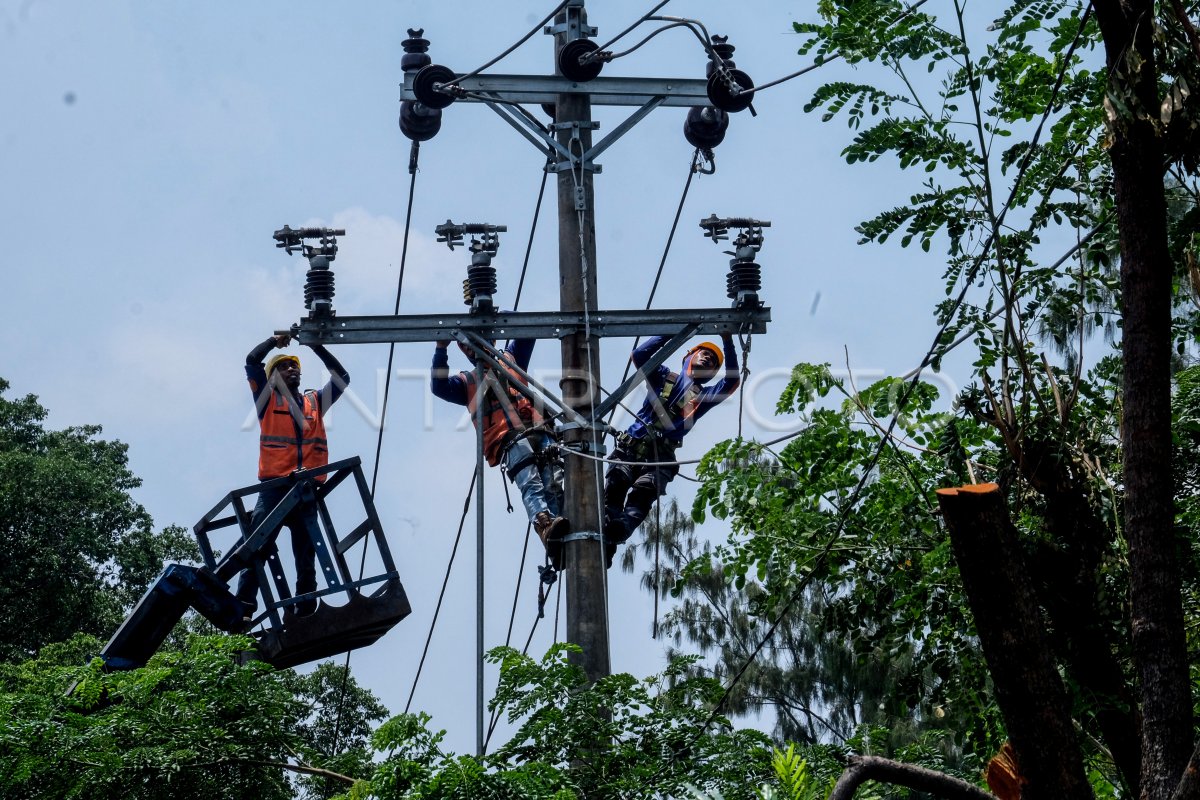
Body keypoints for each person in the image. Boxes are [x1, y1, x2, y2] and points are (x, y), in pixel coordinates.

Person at [235, 332, 350, 624]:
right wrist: (275, 342)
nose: (292, 370)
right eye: (284, 367)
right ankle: (243, 608)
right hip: (275, 488)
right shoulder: (266, 400)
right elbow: (251, 361)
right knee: (256, 546)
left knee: (306, 552)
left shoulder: (314, 403)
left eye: (294, 366)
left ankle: (304, 608)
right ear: (272, 377)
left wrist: (317, 347)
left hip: (306, 488)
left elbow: (342, 378)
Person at [603, 334, 740, 564]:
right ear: (689, 356)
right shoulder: (663, 376)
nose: (708, 359)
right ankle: (605, 541)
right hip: (630, 448)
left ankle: (620, 529)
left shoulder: (704, 397)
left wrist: (728, 340)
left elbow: (732, 381)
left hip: (660, 459)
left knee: (642, 496)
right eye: (704, 353)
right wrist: (672, 333)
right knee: (615, 490)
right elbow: (639, 356)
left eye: (714, 362)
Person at [431, 337, 568, 566]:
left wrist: (495, 314)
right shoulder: (467, 382)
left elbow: (526, 331)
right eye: (467, 345)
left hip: (540, 429)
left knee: (554, 484)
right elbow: (439, 386)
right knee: (530, 482)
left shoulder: (511, 359)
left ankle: (559, 537)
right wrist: (440, 349)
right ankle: (545, 527)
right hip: (508, 438)